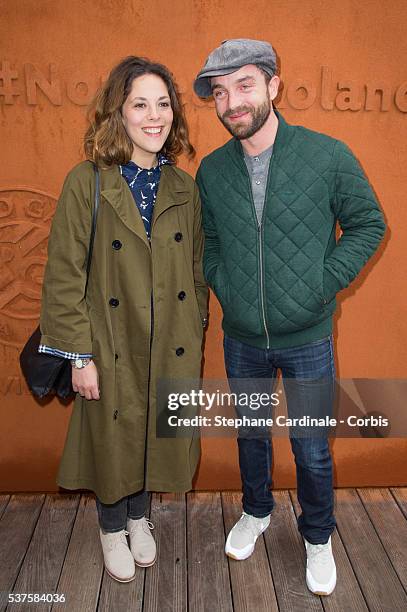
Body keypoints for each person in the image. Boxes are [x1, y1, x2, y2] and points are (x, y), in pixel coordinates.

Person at [194, 39, 386, 596]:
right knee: (251, 436)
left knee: (311, 447)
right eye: (221, 92)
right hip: (243, 339)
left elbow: (370, 224)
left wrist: (321, 284)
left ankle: (318, 535)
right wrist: (224, 285)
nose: (232, 102)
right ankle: (257, 511)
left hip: (308, 338)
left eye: (244, 85)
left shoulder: (327, 155)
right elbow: (209, 241)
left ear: (275, 86)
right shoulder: (211, 171)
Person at [39, 56, 208, 583]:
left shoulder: (183, 187)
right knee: (113, 437)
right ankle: (111, 526)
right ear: (119, 113)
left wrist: (194, 325)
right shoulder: (86, 182)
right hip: (109, 340)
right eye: (140, 104)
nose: (153, 116)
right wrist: (79, 355)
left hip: (169, 342)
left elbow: (198, 268)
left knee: (154, 434)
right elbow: (65, 274)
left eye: (163, 104)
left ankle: (140, 519)